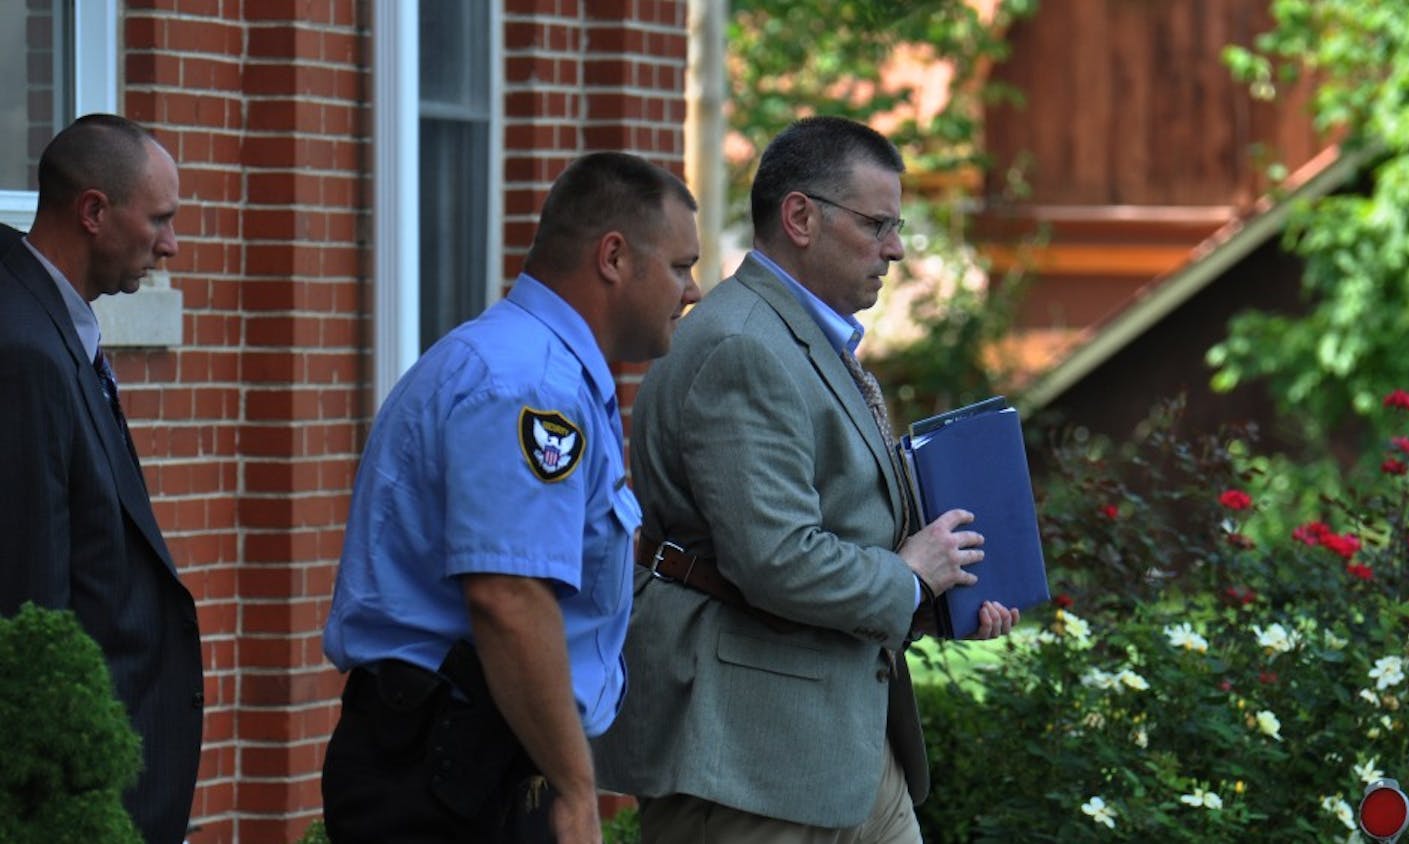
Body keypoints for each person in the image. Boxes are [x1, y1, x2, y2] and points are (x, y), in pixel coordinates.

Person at [592, 116, 1022, 843]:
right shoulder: (742, 344)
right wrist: (911, 579)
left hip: (840, 740)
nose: (896, 248)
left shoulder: (797, 336)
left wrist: (939, 597)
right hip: (751, 755)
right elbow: (776, 557)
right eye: (877, 224)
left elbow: (846, 532)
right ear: (799, 217)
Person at [321, 151, 702, 844]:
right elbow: (508, 595)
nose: (693, 290)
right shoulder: (531, 385)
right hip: (449, 775)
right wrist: (577, 789)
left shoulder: (539, 369)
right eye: (681, 266)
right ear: (613, 257)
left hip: (469, 757)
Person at [0, 114, 204, 844]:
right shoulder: (24, 352)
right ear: (93, 212)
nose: (171, 245)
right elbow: (30, 618)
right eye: (160, 220)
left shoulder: (52, 325)